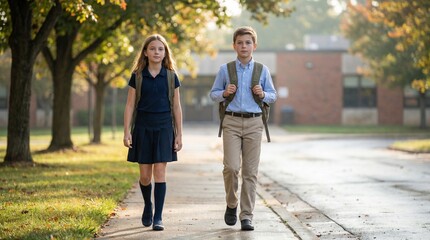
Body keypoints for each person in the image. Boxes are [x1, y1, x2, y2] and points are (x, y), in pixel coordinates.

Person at [209, 26, 277, 231]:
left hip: (255, 123)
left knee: (250, 172)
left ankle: (246, 215)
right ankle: (232, 203)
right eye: (240, 43)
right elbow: (213, 94)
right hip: (231, 121)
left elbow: (273, 95)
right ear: (234, 46)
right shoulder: (225, 70)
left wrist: (263, 94)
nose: (244, 46)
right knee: (231, 167)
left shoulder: (262, 70)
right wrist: (224, 92)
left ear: (254, 46)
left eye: (248, 42)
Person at [123, 34, 183, 231]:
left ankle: (158, 217)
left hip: (164, 127)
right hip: (142, 128)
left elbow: (176, 107)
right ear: (146, 53)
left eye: (160, 49)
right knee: (145, 176)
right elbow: (130, 105)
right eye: (153, 49)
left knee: (160, 172)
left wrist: (179, 134)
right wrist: (127, 132)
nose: (157, 52)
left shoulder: (171, 76)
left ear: (165, 53)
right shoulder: (137, 76)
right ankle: (147, 205)